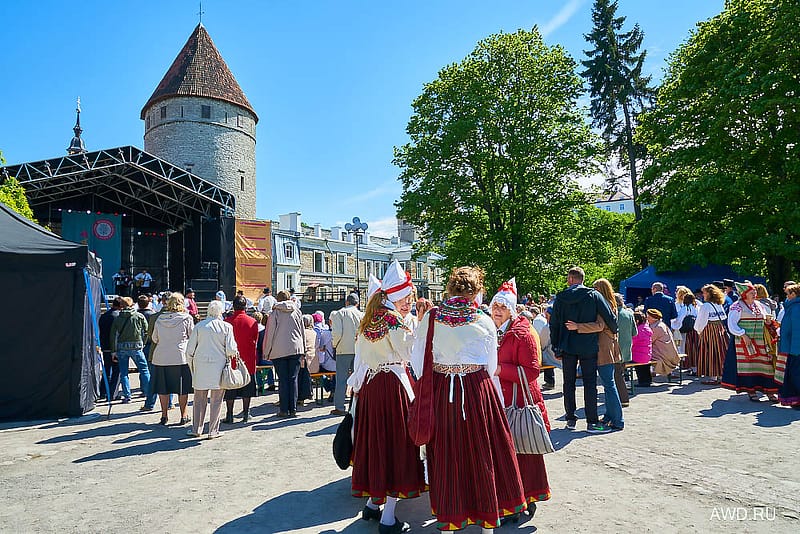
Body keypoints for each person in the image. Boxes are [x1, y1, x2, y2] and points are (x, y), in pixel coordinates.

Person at [411, 266, 525, 533]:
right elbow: (490, 364)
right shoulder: (483, 319)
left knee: (446, 454)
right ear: (475, 291)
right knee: (482, 452)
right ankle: (487, 525)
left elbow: (417, 362)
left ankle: (450, 519)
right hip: (476, 389)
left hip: (441, 389)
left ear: (451, 288)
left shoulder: (431, 317)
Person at [347, 260, 425, 534]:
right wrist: (416, 333)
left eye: (409, 298)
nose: (408, 303)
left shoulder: (370, 318)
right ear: (391, 295)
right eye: (404, 298)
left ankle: (372, 504)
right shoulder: (393, 320)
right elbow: (406, 355)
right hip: (392, 388)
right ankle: (389, 518)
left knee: (377, 443)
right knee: (397, 447)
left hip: (371, 387)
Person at [490, 278, 551, 517]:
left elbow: (532, 371)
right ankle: (514, 500)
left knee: (522, 453)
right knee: (508, 455)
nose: (497, 310)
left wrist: (500, 369)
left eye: (502, 307)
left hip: (519, 402)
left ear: (512, 309)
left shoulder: (522, 334)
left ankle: (523, 500)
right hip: (502, 400)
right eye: (495, 306)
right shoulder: (495, 330)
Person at [549, 266, 618, 433]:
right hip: (588, 344)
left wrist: (556, 346)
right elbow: (610, 317)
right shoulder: (594, 295)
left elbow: (554, 324)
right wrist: (613, 329)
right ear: (582, 279)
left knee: (568, 383)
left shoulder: (561, 297)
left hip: (566, 345)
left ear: (570, 279)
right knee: (589, 383)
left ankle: (570, 418)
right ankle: (592, 422)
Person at [565, 279, 625, 430]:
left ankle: (618, 420)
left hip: (603, 349)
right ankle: (610, 416)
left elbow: (599, 326)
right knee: (608, 384)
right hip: (607, 348)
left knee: (609, 385)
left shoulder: (603, 305)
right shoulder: (609, 303)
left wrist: (577, 326)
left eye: (595, 288)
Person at [185, 300, 238, 439]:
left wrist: (192, 366)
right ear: (221, 311)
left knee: (199, 399)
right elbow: (232, 349)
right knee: (216, 400)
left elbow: (189, 350)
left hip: (201, 366)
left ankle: (197, 429)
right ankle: (213, 431)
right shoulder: (227, 327)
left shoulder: (199, 326)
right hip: (219, 366)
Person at [721, 282, 779, 402]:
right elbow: (731, 324)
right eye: (752, 293)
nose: (755, 294)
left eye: (755, 292)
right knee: (748, 366)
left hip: (761, 341)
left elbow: (765, 319)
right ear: (745, 294)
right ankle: (751, 390)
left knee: (766, 366)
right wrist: (742, 334)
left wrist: (768, 323)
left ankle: (769, 391)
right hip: (744, 342)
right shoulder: (737, 306)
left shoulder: (759, 305)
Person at [150, 293, 195, 425]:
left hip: (161, 357)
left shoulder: (160, 319)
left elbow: (154, 338)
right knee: (182, 389)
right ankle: (184, 415)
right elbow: (191, 336)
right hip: (180, 357)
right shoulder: (187, 318)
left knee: (163, 389)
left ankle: (164, 416)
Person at [262, 290, 305, 417]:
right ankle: (294, 409)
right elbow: (302, 331)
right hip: (296, 349)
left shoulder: (275, 313)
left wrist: (267, 351)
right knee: (293, 379)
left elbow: (270, 334)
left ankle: (284, 409)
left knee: (283, 380)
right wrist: (303, 349)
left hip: (279, 350)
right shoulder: (297, 311)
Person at [223, 295, 259, 423]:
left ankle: (229, 414)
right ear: (246, 306)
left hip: (231, 360)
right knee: (247, 388)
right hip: (247, 359)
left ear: (233, 306)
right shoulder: (252, 321)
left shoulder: (227, 322)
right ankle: (246, 413)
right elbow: (256, 339)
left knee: (230, 389)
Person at [109, 297, 151, 405]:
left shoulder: (118, 318)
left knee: (124, 373)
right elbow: (146, 331)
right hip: (136, 346)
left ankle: (127, 396)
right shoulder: (139, 316)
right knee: (144, 370)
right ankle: (147, 392)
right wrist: (143, 342)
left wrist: (113, 351)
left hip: (122, 347)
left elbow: (113, 335)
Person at [330, 293, 364, 416]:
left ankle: (339, 407)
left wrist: (335, 344)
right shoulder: (362, 315)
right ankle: (358, 405)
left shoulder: (339, 313)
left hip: (343, 349)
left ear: (346, 302)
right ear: (357, 303)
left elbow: (337, 332)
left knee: (341, 380)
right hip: (358, 350)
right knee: (359, 379)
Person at [694, 284, 729, 385]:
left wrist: (699, 331)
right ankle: (721, 375)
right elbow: (723, 317)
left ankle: (713, 377)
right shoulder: (718, 304)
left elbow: (701, 321)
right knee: (720, 352)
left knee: (711, 353)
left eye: (704, 293)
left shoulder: (706, 306)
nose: (703, 295)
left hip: (709, 330)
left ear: (709, 294)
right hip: (719, 329)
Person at [776, 283, 800, 409]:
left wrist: (794, 349)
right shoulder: (793, 306)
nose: (787, 296)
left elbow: (797, 330)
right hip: (792, 347)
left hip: (795, 349)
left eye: (788, 293)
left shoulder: (796, 308)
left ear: (794, 294)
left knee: (795, 373)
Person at [98, 296, 123, 401]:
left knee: (106, 370)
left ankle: (103, 391)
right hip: (115, 347)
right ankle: (113, 393)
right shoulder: (119, 317)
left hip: (105, 346)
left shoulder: (104, 316)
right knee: (117, 371)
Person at [646, 309, 682, 378]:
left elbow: (649, 341)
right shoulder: (661, 324)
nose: (647, 318)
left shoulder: (657, 328)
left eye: (648, 317)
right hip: (669, 352)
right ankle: (652, 372)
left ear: (654, 318)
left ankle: (646, 377)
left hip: (664, 355)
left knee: (642, 355)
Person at [615, 293, 637, 406]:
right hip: (626, 349)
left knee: (617, 376)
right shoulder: (629, 314)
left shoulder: (613, 314)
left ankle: (623, 399)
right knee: (621, 374)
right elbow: (635, 332)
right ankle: (621, 397)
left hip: (615, 350)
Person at [532, 306, 559, 390]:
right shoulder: (563, 325)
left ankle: (549, 381)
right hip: (563, 354)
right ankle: (550, 381)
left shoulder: (547, 327)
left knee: (540, 355)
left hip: (553, 356)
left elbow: (542, 344)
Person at [673, 293, 700, 374]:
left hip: (687, 331)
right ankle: (696, 367)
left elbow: (679, 320)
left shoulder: (684, 308)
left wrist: (675, 327)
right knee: (695, 349)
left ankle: (691, 367)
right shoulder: (695, 308)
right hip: (694, 331)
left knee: (688, 349)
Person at [297, 314, 317, 406]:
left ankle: (300, 397)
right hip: (315, 363)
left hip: (305, 363)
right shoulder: (314, 332)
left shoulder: (301, 333)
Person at [631, 311, 653, 386]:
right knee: (646, 367)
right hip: (648, 355)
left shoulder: (638, 330)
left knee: (639, 367)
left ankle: (642, 381)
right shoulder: (647, 328)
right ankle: (648, 380)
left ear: (637, 321)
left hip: (638, 356)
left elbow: (632, 342)